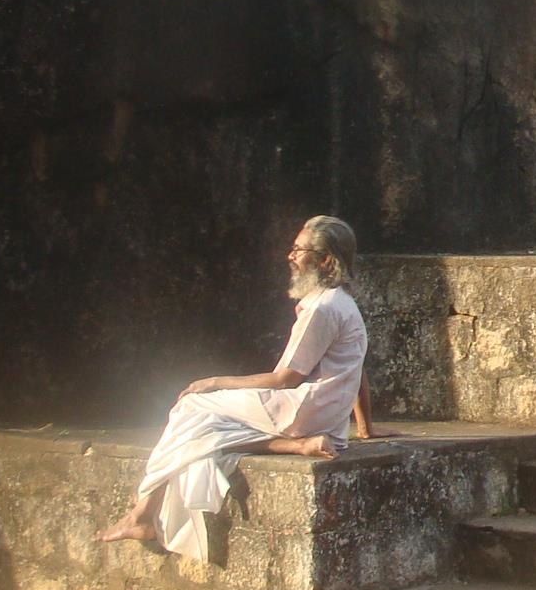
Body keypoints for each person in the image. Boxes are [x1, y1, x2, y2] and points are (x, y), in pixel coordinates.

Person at [95, 215, 374, 558]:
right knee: (206, 424)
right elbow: (358, 369)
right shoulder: (343, 303)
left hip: (302, 409)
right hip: (325, 415)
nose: (291, 256)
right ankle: (296, 446)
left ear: (325, 260)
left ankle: (142, 512)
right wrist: (364, 428)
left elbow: (286, 379)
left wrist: (214, 382)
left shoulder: (322, 309)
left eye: (299, 250)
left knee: (191, 408)